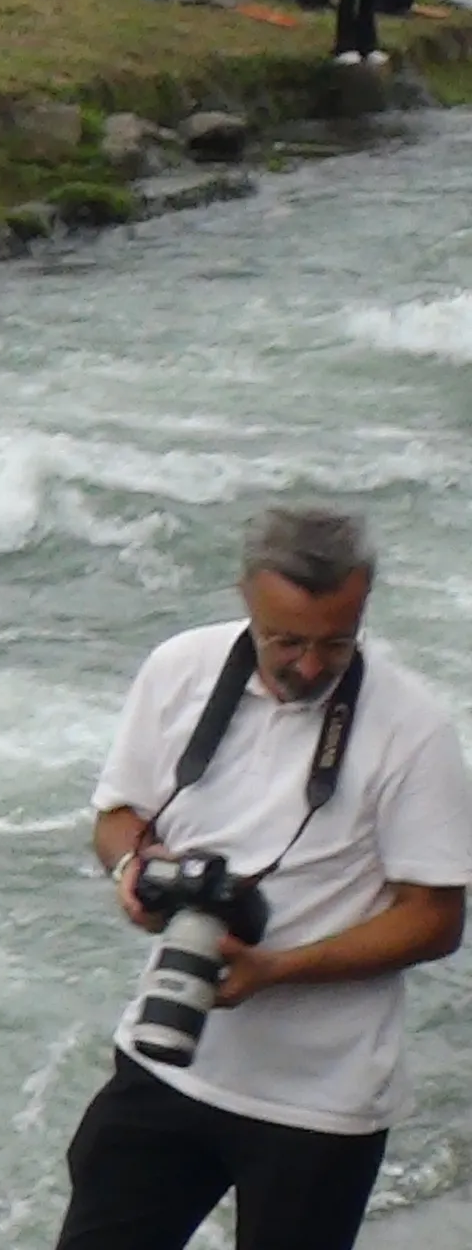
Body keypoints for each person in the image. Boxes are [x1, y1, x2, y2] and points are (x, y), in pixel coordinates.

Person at [53, 507, 472, 1250]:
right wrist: (132, 870)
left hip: (319, 1102)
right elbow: (118, 814)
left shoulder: (415, 728)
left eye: (336, 643)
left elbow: (436, 917)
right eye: (287, 641)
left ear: (364, 608)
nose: (310, 666)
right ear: (245, 597)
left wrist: (277, 969)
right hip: (167, 1054)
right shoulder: (179, 668)